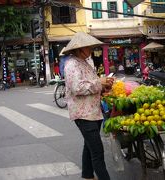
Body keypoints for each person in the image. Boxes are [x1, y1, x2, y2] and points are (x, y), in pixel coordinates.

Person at [62, 32, 113, 180]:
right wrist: (100, 83)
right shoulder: (71, 65)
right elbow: (77, 88)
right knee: (97, 152)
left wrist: (104, 87)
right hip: (83, 114)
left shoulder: (85, 62)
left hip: (94, 112)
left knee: (89, 147)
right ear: (79, 49)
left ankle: (87, 176)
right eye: (88, 47)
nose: (90, 50)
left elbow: (92, 84)